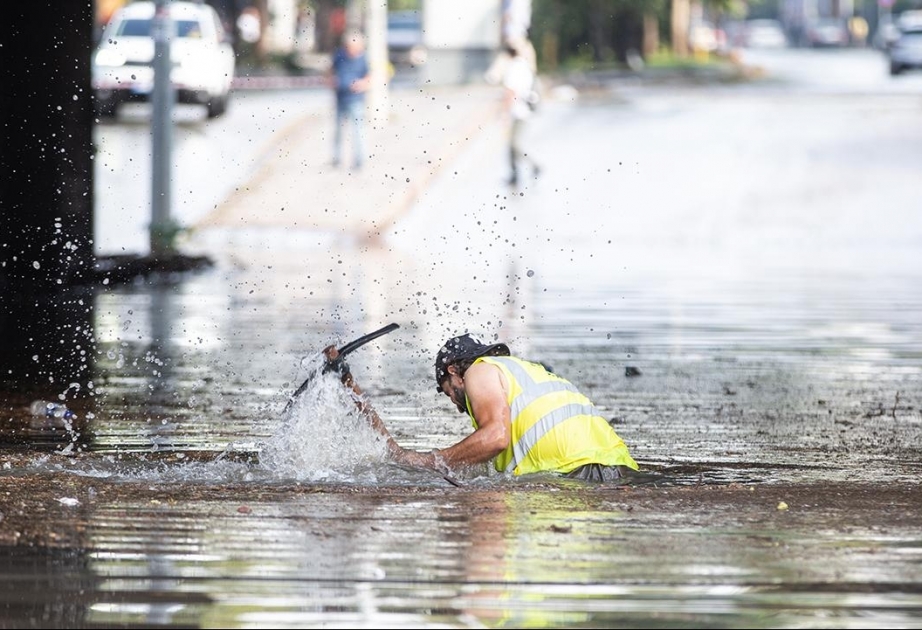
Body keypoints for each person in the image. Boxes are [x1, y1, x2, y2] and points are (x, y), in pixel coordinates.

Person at [324, 333, 639, 482]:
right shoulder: (523, 377)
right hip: (617, 469)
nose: (452, 402)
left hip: (582, 475)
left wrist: (436, 461)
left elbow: (495, 438)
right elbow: (395, 452)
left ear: (452, 372)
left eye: (445, 391)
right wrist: (349, 383)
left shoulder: (480, 370)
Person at [328, 29, 370, 170]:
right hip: (340, 97)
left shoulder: (364, 58)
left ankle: (359, 161)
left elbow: (370, 76)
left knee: (358, 131)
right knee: (338, 131)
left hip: (356, 99)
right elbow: (330, 71)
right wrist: (330, 81)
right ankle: (336, 160)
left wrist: (361, 84)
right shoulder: (339, 55)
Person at [501, 40, 541, 188]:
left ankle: (534, 165)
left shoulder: (513, 68)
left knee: (514, 145)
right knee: (511, 145)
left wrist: (504, 113)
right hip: (524, 110)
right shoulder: (524, 66)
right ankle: (514, 174)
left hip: (518, 112)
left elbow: (510, 92)